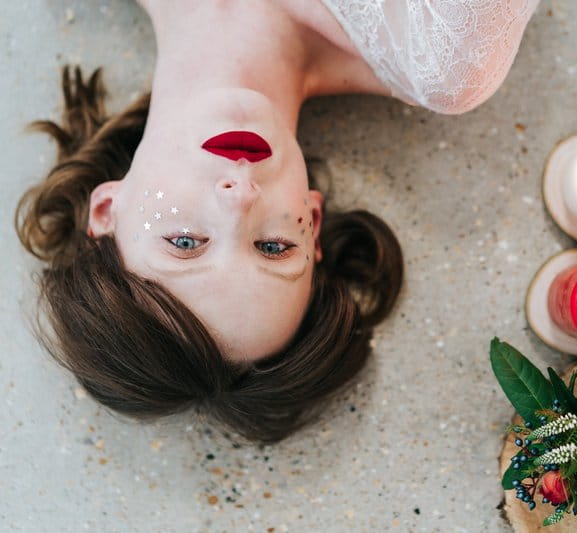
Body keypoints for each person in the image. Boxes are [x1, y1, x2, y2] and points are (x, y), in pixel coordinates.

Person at [15, 0, 539, 444]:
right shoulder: (444, 54)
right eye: (272, 247)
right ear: (311, 219)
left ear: (107, 210)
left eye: (184, 241)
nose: (240, 196)